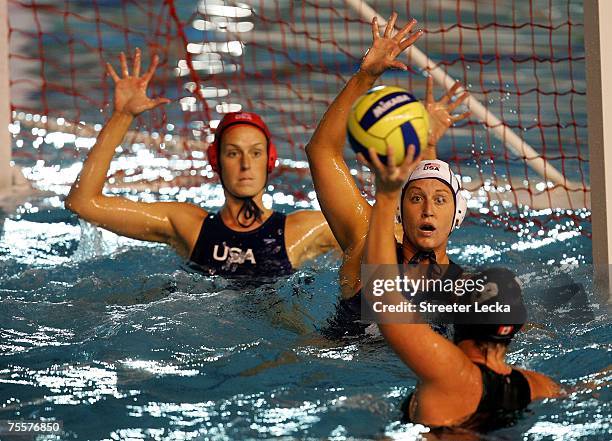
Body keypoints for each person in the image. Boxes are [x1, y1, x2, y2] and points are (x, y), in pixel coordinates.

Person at [66, 48, 338, 278]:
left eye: (255, 153)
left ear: (270, 160)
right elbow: (83, 203)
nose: (245, 164)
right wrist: (122, 116)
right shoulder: (189, 226)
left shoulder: (301, 230)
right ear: (215, 161)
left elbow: (374, 237)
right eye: (233, 153)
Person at [359, 152, 562, 428]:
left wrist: (384, 196)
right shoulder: (536, 385)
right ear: (515, 326)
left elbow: (383, 296)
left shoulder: (446, 372)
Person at [305, 13, 470, 336]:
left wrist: (428, 144)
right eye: (417, 199)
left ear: (457, 214)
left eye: (440, 200)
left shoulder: (464, 291)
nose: (427, 210)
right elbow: (321, 153)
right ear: (399, 208)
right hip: (336, 372)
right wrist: (365, 76)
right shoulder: (365, 242)